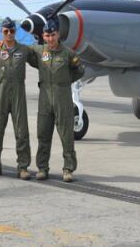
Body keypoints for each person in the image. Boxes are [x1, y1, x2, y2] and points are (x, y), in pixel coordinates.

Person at [30, 19, 85, 183]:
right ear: (43, 36)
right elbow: (21, 51)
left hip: (63, 98)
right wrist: (2, 45)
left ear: (58, 35)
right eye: (47, 35)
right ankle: (42, 168)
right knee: (43, 135)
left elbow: (80, 70)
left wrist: (65, 81)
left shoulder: (68, 54)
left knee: (66, 136)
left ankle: (68, 169)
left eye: (53, 35)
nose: (50, 38)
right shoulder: (39, 51)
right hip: (45, 98)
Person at [0, 18, 34, 179]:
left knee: (21, 131)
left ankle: (23, 167)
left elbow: (39, 59)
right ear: (1, 32)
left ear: (15, 31)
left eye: (12, 30)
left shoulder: (24, 50)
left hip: (18, 93)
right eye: (6, 31)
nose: (9, 33)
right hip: (1, 93)